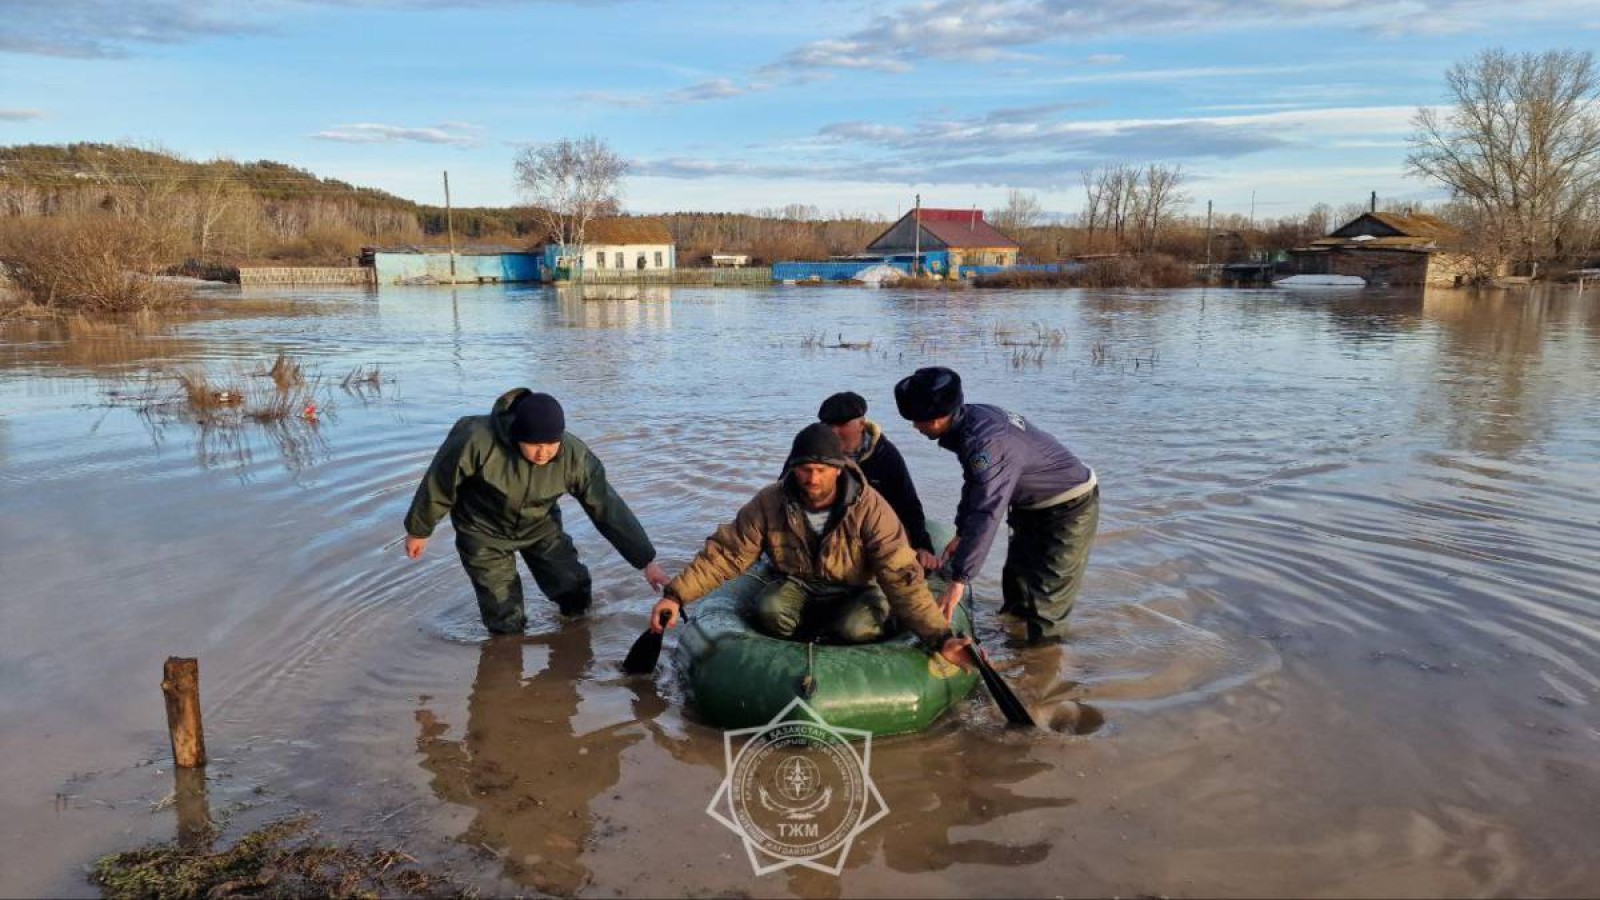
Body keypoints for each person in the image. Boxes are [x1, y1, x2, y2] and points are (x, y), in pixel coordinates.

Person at [648, 423, 971, 666]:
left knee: (856, 629)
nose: (812, 479)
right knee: (769, 611)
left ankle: (860, 637)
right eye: (804, 470)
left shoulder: (871, 509)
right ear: (793, 468)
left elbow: (901, 576)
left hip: (858, 588)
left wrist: (940, 638)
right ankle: (798, 654)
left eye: (821, 470)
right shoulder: (769, 502)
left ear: (838, 468)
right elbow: (728, 553)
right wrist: (676, 596)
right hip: (801, 584)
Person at [403, 388, 669, 634]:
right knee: (504, 615)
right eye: (534, 444)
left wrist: (646, 560)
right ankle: (507, 661)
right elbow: (439, 482)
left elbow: (607, 508)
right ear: (518, 435)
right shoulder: (476, 439)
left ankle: (573, 641)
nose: (543, 453)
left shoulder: (574, 457)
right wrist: (419, 529)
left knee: (573, 589)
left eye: (551, 444)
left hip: (540, 526)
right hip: (483, 530)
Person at [894, 367, 1098, 643]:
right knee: (1017, 585)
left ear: (940, 417)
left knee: (1047, 600)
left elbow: (987, 511)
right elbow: (975, 485)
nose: (915, 427)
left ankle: (1043, 666)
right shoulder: (969, 421)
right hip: (1029, 507)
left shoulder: (985, 443)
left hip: (1069, 508)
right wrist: (962, 532)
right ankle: (1012, 645)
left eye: (919, 421)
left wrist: (959, 580)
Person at [816, 391, 938, 570]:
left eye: (842, 424)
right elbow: (784, 494)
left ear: (861, 424)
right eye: (828, 425)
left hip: (873, 533)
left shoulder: (886, 456)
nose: (834, 431)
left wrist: (923, 546)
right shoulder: (810, 449)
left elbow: (908, 503)